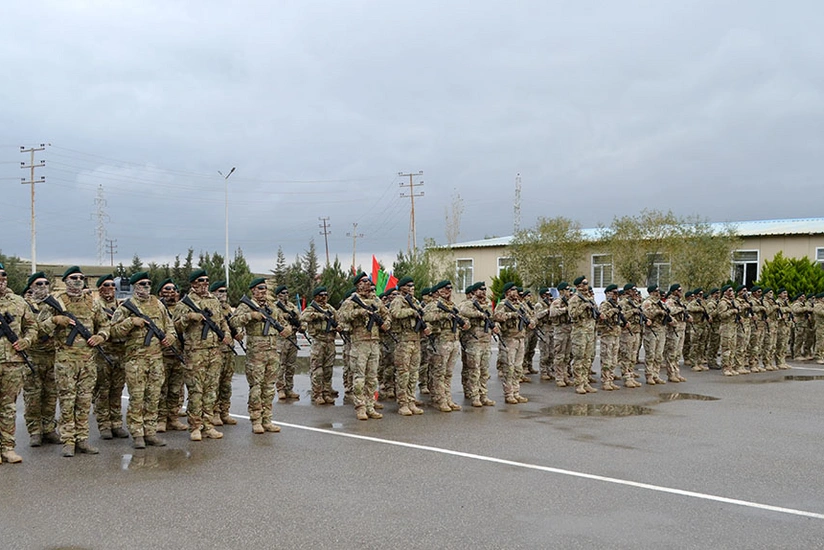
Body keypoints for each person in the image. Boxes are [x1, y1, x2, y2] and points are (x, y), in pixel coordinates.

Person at [39, 266, 110, 457]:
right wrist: (55, 320)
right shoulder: (55, 302)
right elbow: (38, 329)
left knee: (84, 401)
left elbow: (105, 325)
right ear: (65, 281)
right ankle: (68, 441)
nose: (78, 280)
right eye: (73, 277)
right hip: (65, 361)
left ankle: (82, 440)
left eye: (81, 277)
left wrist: (101, 336)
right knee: (67, 401)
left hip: (87, 361)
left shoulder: (92, 303)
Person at [109, 272, 178, 449]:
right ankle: (137, 433)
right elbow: (113, 332)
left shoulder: (158, 304)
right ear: (134, 286)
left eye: (148, 283)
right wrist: (131, 322)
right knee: (137, 398)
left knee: (153, 397)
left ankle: (150, 432)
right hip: (136, 360)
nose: (146, 286)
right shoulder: (126, 307)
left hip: (156, 359)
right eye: (142, 283)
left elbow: (169, 325)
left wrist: (170, 337)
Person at [173, 269, 232, 441]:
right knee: (196, 391)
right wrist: (188, 317)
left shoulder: (213, 301)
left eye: (207, 280)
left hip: (214, 352)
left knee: (211, 391)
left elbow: (221, 322)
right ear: (193, 284)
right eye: (201, 280)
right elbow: (175, 327)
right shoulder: (184, 304)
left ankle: (208, 425)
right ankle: (195, 427)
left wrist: (226, 334)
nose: (205, 283)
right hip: (195, 353)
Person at [231, 278, 291, 433]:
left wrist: (287, 330)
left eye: (265, 288)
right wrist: (251, 316)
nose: (264, 290)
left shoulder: (272, 307)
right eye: (260, 288)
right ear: (253, 290)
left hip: (272, 353)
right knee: (256, 388)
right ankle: (256, 420)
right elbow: (233, 321)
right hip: (256, 354)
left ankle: (267, 419)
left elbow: (283, 323)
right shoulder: (246, 306)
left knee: (269, 388)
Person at [338, 272, 390, 420]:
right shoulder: (351, 301)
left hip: (374, 342)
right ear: (357, 284)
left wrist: (386, 324)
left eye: (368, 281)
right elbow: (342, 316)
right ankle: (360, 407)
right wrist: (359, 312)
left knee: (372, 378)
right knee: (359, 377)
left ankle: (370, 406)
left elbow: (387, 315)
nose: (367, 284)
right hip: (359, 343)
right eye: (364, 281)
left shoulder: (376, 300)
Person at [0, 263, 37, 463]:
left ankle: (7, 448)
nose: (1, 279)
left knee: (8, 407)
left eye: (3, 275)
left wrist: (27, 340)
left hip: (13, 363)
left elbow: (32, 327)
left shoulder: (19, 302)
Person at [21, 272, 61, 447]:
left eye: (45, 283)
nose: (43, 286)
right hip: (33, 356)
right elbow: (34, 329)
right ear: (31, 287)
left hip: (52, 356)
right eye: (39, 284)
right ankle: (35, 431)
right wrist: (54, 321)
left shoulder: (54, 305)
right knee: (33, 397)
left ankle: (49, 429)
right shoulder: (25, 306)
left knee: (51, 395)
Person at [92, 274, 129, 440]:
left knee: (117, 390)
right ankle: (104, 425)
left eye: (113, 286)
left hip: (120, 353)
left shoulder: (121, 306)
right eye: (106, 285)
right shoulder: (95, 306)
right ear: (100, 288)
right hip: (103, 353)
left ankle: (116, 423)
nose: (110, 289)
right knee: (103, 390)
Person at [424, 280, 470, 412]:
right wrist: (444, 315)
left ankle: (447, 398)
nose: (449, 291)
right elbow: (426, 316)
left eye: (450, 288)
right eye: (446, 288)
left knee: (448, 373)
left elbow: (463, 318)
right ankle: (440, 400)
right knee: (439, 372)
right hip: (441, 342)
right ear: (439, 291)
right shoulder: (434, 305)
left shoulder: (452, 305)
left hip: (454, 341)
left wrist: (466, 324)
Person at [388, 277, 428, 415]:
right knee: (403, 373)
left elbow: (422, 315)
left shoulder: (415, 301)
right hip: (403, 342)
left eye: (413, 285)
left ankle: (411, 400)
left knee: (413, 373)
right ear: (403, 287)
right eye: (409, 286)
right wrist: (411, 312)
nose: (412, 288)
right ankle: (403, 403)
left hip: (415, 340)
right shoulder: (398, 301)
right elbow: (395, 314)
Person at [457, 282, 498, 407]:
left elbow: (492, 318)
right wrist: (479, 314)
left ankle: (483, 395)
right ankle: (475, 396)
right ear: (475, 291)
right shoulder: (469, 304)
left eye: (485, 289)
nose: (484, 292)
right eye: (481, 289)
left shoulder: (486, 304)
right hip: (473, 341)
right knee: (474, 370)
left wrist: (495, 326)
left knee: (484, 371)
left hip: (485, 341)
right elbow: (462, 311)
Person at [492, 282, 532, 404]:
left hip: (520, 338)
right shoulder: (503, 304)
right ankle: (509, 394)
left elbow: (529, 315)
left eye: (516, 290)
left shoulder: (520, 304)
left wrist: (531, 321)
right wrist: (512, 315)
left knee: (518, 368)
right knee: (509, 368)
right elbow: (497, 316)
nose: (515, 293)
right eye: (512, 290)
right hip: (509, 339)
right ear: (507, 292)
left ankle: (516, 392)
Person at [156, 278, 187, 431]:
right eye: (166, 289)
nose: (170, 292)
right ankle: (160, 419)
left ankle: (173, 417)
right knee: (162, 389)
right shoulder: (157, 308)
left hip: (179, 353)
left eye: (173, 289)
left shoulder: (182, 308)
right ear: (160, 292)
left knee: (176, 389)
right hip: (161, 355)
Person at [300, 286, 339, 405]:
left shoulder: (330, 308)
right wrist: (319, 315)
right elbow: (303, 317)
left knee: (328, 369)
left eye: (325, 295)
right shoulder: (312, 308)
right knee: (317, 370)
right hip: (318, 341)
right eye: (321, 295)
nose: (324, 298)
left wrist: (339, 326)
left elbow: (338, 319)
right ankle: (317, 394)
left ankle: (326, 393)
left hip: (330, 341)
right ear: (316, 297)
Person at [210, 280, 240, 426]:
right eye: (220, 291)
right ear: (213, 292)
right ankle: (214, 413)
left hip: (229, 350)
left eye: (225, 292)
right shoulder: (211, 308)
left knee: (226, 384)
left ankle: (224, 412)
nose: (223, 295)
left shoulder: (228, 309)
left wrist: (239, 333)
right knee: (214, 383)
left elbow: (235, 324)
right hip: (216, 350)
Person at [567, 276, 599, 394]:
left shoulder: (589, 298)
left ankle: (585, 382)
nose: (586, 286)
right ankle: (579, 383)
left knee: (587, 359)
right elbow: (572, 314)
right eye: (584, 284)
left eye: (586, 283)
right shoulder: (575, 299)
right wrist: (583, 306)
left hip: (590, 332)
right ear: (578, 286)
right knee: (579, 359)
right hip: (579, 332)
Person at [273, 285, 304, 400]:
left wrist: (301, 326)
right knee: (281, 365)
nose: (285, 295)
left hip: (293, 338)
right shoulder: (274, 307)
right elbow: (275, 321)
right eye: (283, 293)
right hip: (281, 340)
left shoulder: (292, 306)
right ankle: (280, 389)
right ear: (278, 295)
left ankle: (289, 388)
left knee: (291, 365)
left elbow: (300, 318)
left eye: (287, 293)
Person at [597, 284, 623, 391]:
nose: (616, 295)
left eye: (617, 293)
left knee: (613, 360)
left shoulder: (616, 305)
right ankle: (606, 381)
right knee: (606, 359)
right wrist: (613, 311)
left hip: (615, 334)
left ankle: (610, 379)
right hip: (607, 335)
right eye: (614, 293)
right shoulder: (605, 304)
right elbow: (602, 316)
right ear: (608, 293)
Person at [641, 285, 668, 385]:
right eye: (656, 291)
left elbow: (667, 313)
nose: (658, 293)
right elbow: (646, 315)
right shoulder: (648, 302)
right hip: (651, 332)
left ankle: (656, 374)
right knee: (650, 354)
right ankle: (649, 375)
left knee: (659, 355)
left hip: (661, 330)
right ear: (652, 292)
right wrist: (658, 312)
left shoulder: (660, 303)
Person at [662, 283, 689, 382]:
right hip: (673, 331)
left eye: (681, 290)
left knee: (678, 353)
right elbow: (670, 311)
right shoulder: (670, 301)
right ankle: (671, 374)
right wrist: (681, 309)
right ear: (673, 291)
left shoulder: (680, 302)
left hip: (681, 329)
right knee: (671, 353)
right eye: (678, 291)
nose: (680, 292)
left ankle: (676, 372)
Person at [549, 282, 573, 386]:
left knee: (567, 356)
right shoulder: (557, 301)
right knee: (559, 355)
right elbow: (553, 313)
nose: (568, 292)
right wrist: (565, 309)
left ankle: (565, 375)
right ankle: (559, 377)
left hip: (569, 329)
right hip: (560, 331)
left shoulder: (569, 301)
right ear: (561, 291)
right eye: (567, 290)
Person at [716, 284, 740, 376]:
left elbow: (739, 308)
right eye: (729, 290)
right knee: (726, 348)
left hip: (733, 326)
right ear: (725, 292)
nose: (731, 292)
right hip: (726, 327)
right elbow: (721, 315)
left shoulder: (732, 301)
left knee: (733, 348)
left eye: (732, 291)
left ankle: (731, 366)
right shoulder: (723, 303)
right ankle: (725, 367)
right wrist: (732, 311)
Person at [533, 287, 555, 381]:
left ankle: (549, 370)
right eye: (546, 295)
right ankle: (543, 371)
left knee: (551, 352)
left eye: (549, 295)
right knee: (544, 352)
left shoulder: (550, 304)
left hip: (551, 329)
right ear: (542, 295)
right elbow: (537, 316)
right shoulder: (539, 305)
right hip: (543, 329)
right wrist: (547, 311)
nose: (548, 297)